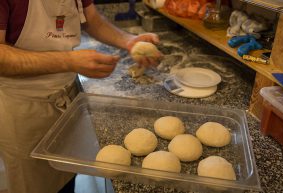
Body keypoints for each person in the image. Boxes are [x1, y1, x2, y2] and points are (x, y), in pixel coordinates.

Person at [0, 0, 162, 193]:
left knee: (66, 174)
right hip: (24, 106)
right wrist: (68, 60)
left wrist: (127, 40)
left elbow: (90, 18)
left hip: (68, 97)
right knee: (33, 184)